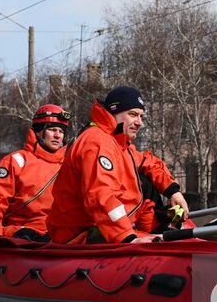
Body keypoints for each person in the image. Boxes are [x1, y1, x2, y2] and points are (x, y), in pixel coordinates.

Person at [46, 86, 191, 244]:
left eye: (141, 116)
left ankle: (171, 226)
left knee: (173, 219)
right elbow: (101, 196)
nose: (139, 122)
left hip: (115, 224)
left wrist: (173, 191)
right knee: (168, 240)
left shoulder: (119, 145)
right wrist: (128, 238)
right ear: (113, 112)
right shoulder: (98, 142)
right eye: (133, 114)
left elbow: (148, 163)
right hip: (82, 233)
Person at [0, 104, 70, 241]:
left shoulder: (68, 166)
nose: (57, 135)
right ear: (38, 132)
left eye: (61, 131)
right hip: (22, 232)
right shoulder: (16, 161)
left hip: (59, 234)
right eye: (52, 130)